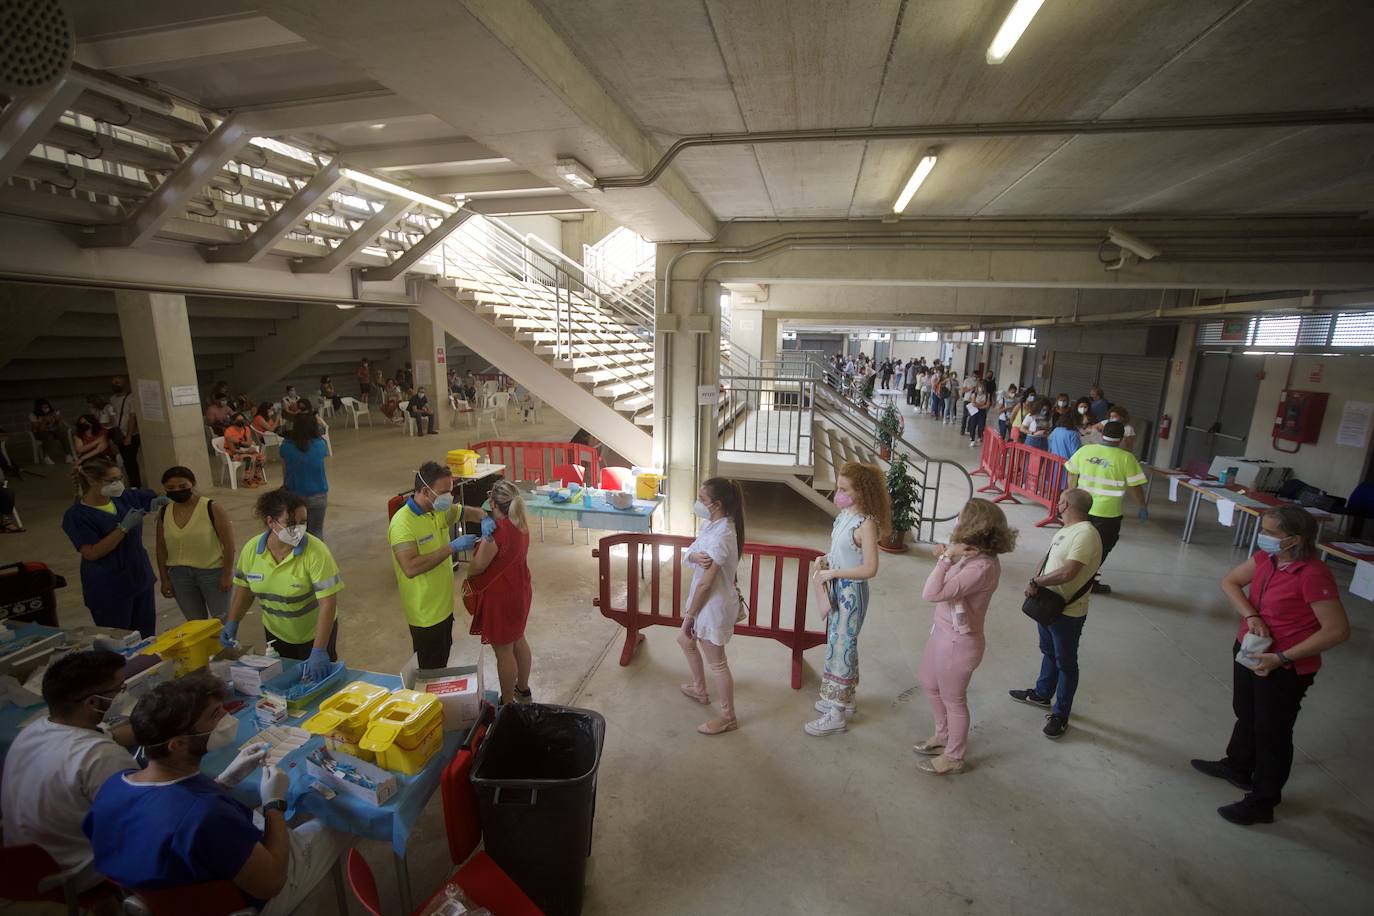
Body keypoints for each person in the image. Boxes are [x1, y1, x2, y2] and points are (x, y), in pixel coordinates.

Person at [84, 673, 350, 915]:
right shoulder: (206, 818)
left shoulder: (113, 787)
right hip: (253, 897)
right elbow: (270, 882)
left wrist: (225, 780)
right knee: (344, 815)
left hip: (170, 894)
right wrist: (274, 805)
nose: (226, 718)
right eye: (214, 715)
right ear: (178, 744)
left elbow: (171, 811)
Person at [1193, 506, 1349, 825]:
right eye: (1262, 530)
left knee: (1272, 733)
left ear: (1295, 539)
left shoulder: (1312, 574)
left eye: (1271, 533)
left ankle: (1263, 802)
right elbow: (1230, 582)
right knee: (1246, 711)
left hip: (1285, 665)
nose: (1262, 537)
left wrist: (1281, 658)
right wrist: (1252, 616)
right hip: (1251, 648)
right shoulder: (1268, 558)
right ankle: (1237, 766)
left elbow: (1337, 630)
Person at [1, 650, 136, 888]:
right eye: (119, 689)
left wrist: (152, 726)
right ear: (92, 702)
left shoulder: (33, 731)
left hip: (22, 863)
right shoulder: (102, 757)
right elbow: (140, 826)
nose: (121, 694)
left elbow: (109, 735)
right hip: (76, 873)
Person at [914, 498, 1017, 775]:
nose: (956, 523)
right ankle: (943, 735)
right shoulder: (973, 555)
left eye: (960, 518)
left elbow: (931, 593)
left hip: (958, 642)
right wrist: (949, 554)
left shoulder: (981, 567)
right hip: (943, 631)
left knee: (953, 700)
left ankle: (954, 757)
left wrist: (947, 559)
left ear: (974, 526)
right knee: (928, 680)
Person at [1009, 488, 1103, 738]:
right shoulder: (1066, 531)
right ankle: (1042, 694)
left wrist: (1038, 583)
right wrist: (1036, 578)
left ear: (1068, 505)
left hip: (1068, 611)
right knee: (1049, 652)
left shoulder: (1086, 534)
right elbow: (1049, 559)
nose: (1057, 504)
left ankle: (1061, 714)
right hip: (1049, 605)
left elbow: (1069, 572)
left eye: (1060, 501)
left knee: (1066, 663)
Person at [221, 488, 343, 677]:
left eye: (303, 522)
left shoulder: (317, 552)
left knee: (317, 679)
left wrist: (319, 650)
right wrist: (233, 622)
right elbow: (245, 590)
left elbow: (327, 603)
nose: (298, 529)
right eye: (291, 523)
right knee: (284, 679)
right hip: (276, 632)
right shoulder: (252, 550)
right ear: (271, 522)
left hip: (314, 633)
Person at [807, 462, 890, 736]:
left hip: (851, 593)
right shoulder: (844, 515)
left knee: (842, 647)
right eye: (838, 487)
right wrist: (827, 559)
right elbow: (842, 551)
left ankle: (837, 713)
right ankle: (846, 698)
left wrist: (835, 571)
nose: (838, 494)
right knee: (838, 642)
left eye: (844, 489)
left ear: (862, 492)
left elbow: (869, 568)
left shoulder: (866, 524)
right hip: (837, 587)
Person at [390, 462, 494, 669]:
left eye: (451, 491)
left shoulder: (435, 510)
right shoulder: (403, 524)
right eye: (444, 492)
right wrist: (450, 548)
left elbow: (464, 512)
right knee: (430, 670)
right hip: (425, 614)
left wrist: (483, 517)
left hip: (443, 606)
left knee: (442, 660)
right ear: (425, 491)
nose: (449, 497)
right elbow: (410, 567)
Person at [62, 458, 169, 636]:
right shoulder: (77, 516)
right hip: (108, 587)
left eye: (119, 478)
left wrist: (160, 501)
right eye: (111, 481)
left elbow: (154, 495)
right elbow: (92, 553)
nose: (117, 484)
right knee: (119, 639)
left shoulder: (124, 497)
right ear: (91, 481)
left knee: (146, 636)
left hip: (138, 577)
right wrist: (123, 528)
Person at [678, 477, 745, 735]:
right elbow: (692, 551)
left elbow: (706, 584)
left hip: (711, 606)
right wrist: (693, 555)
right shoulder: (711, 524)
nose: (698, 503)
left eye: (702, 500)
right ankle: (699, 689)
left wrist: (689, 616)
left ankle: (728, 716)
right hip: (705, 603)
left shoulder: (723, 535)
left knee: (717, 663)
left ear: (716, 504)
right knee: (684, 640)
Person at [464, 479, 536, 704]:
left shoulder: (496, 533)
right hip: (520, 590)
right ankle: (522, 690)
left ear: (493, 504)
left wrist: (469, 563)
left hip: (501, 597)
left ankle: (507, 702)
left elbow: (477, 566)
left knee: (503, 651)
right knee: (518, 640)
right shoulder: (520, 524)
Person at [1064, 420, 1147, 595]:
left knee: (1076, 542)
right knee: (1100, 548)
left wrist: (1071, 495)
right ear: (1122, 438)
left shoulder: (1086, 450)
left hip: (1081, 508)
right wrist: (1142, 506)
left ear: (1102, 435)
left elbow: (1072, 472)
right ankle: (1089, 581)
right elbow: (1136, 486)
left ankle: (1068, 575)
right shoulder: (1126, 458)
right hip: (1107, 513)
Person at [156, 466, 235, 621]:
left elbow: (229, 545)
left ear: (193, 484)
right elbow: (161, 548)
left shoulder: (211, 508)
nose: (177, 490)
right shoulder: (165, 512)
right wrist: (164, 578)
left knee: (221, 622)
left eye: (182, 486)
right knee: (195, 624)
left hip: (212, 573)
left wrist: (226, 574)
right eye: (171, 488)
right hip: (179, 576)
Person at [279, 409, 330, 538]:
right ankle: (317, 557)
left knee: (296, 535)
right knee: (317, 532)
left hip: (295, 496)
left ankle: (299, 557)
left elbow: (285, 472)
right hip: (318, 495)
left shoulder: (285, 446)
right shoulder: (321, 445)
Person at [108, 377, 142, 488]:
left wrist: (129, 436)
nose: (115, 385)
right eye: (113, 383)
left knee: (131, 460)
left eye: (117, 383)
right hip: (118, 433)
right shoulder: (113, 399)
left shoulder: (131, 398)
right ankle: (131, 483)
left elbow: (132, 417)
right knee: (125, 461)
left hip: (130, 435)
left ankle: (135, 484)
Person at [223, 412, 266, 488]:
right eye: (238, 420)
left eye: (242, 419)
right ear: (233, 421)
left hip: (244, 450)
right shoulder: (229, 431)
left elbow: (249, 443)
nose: (241, 421)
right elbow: (233, 450)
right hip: (233, 454)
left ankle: (256, 477)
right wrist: (245, 449)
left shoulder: (246, 429)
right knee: (249, 458)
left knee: (261, 456)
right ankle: (246, 480)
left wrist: (239, 442)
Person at [29, 397, 73, 465]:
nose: (46, 409)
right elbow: (38, 429)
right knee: (48, 435)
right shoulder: (33, 415)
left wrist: (58, 419)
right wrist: (44, 420)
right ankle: (46, 456)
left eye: (47, 406)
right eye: (43, 407)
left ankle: (68, 454)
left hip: (53, 431)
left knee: (62, 432)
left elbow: (60, 425)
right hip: (40, 433)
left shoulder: (53, 412)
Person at [967, 379, 992, 447]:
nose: (981, 388)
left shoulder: (987, 395)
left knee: (981, 426)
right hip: (974, 411)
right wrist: (981, 405)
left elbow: (987, 405)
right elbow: (973, 404)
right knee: (973, 425)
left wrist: (980, 406)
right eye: (979, 386)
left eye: (982, 386)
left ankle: (980, 436)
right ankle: (972, 439)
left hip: (982, 412)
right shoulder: (974, 394)